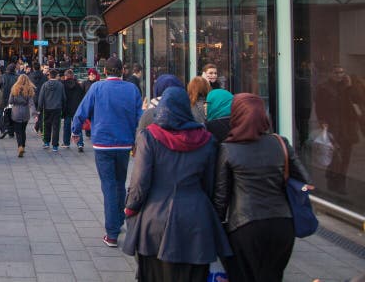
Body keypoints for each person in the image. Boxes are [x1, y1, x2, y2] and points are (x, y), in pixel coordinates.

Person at [123, 87, 230, 280]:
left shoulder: (149, 137)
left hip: (155, 219)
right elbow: (209, 184)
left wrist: (131, 208)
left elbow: (140, 182)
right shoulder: (206, 140)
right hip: (196, 218)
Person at [213, 93, 312, 282]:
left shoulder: (228, 149)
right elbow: (304, 181)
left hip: (244, 225)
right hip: (282, 223)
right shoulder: (280, 142)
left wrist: (215, 229)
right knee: (272, 276)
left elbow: (220, 197)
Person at [71, 57, 142, 247]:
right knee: (120, 182)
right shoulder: (132, 89)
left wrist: (75, 130)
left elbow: (82, 110)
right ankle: (118, 220)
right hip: (125, 143)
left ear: (104, 70)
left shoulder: (97, 88)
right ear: (122, 71)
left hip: (103, 143)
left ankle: (111, 233)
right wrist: (137, 140)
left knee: (109, 185)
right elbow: (139, 117)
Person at [314, 64, 359, 194]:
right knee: (335, 157)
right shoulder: (324, 88)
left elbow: (356, 101)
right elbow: (319, 108)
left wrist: (350, 87)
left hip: (347, 128)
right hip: (333, 127)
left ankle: (340, 182)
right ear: (330, 74)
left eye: (342, 72)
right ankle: (333, 181)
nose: (339, 75)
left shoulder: (347, 87)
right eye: (336, 73)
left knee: (345, 157)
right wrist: (322, 122)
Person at [8, 74, 36, 157]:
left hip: (15, 112)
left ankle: (20, 146)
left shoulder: (14, 88)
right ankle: (23, 146)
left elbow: (10, 101)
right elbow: (31, 103)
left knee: (18, 131)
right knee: (23, 130)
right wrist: (34, 113)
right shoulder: (29, 89)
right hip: (25, 113)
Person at [61, 69, 85, 150]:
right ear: (73, 76)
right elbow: (82, 96)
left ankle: (66, 142)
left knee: (66, 126)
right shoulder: (78, 85)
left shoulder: (62, 85)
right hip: (76, 108)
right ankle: (80, 143)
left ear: (65, 76)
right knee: (77, 126)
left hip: (67, 109)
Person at [0, 63, 19, 139]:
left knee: (1, 114)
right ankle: (11, 132)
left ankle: (3, 129)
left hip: (2, 99)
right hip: (13, 99)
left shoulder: (2, 77)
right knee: (11, 114)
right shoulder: (17, 77)